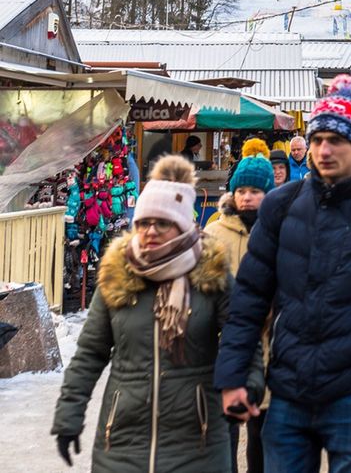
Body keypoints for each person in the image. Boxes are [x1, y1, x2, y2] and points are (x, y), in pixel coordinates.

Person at [213, 75, 351, 472]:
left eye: (336, 140)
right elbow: (248, 297)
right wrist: (232, 375)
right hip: (288, 392)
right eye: (317, 140)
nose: (324, 150)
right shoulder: (281, 207)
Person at [52, 155, 262, 472]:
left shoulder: (209, 271)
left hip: (198, 440)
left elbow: (243, 336)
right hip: (122, 441)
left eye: (162, 223)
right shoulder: (118, 273)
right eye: (143, 222)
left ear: (180, 225)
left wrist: (248, 385)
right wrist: (69, 413)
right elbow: (90, 353)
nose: (150, 231)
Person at [204, 155, 274, 473]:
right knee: (224, 431)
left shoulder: (279, 230)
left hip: (267, 348)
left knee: (261, 431)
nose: (247, 196)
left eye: (255, 191)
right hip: (223, 344)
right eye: (241, 190)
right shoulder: (214, 233)